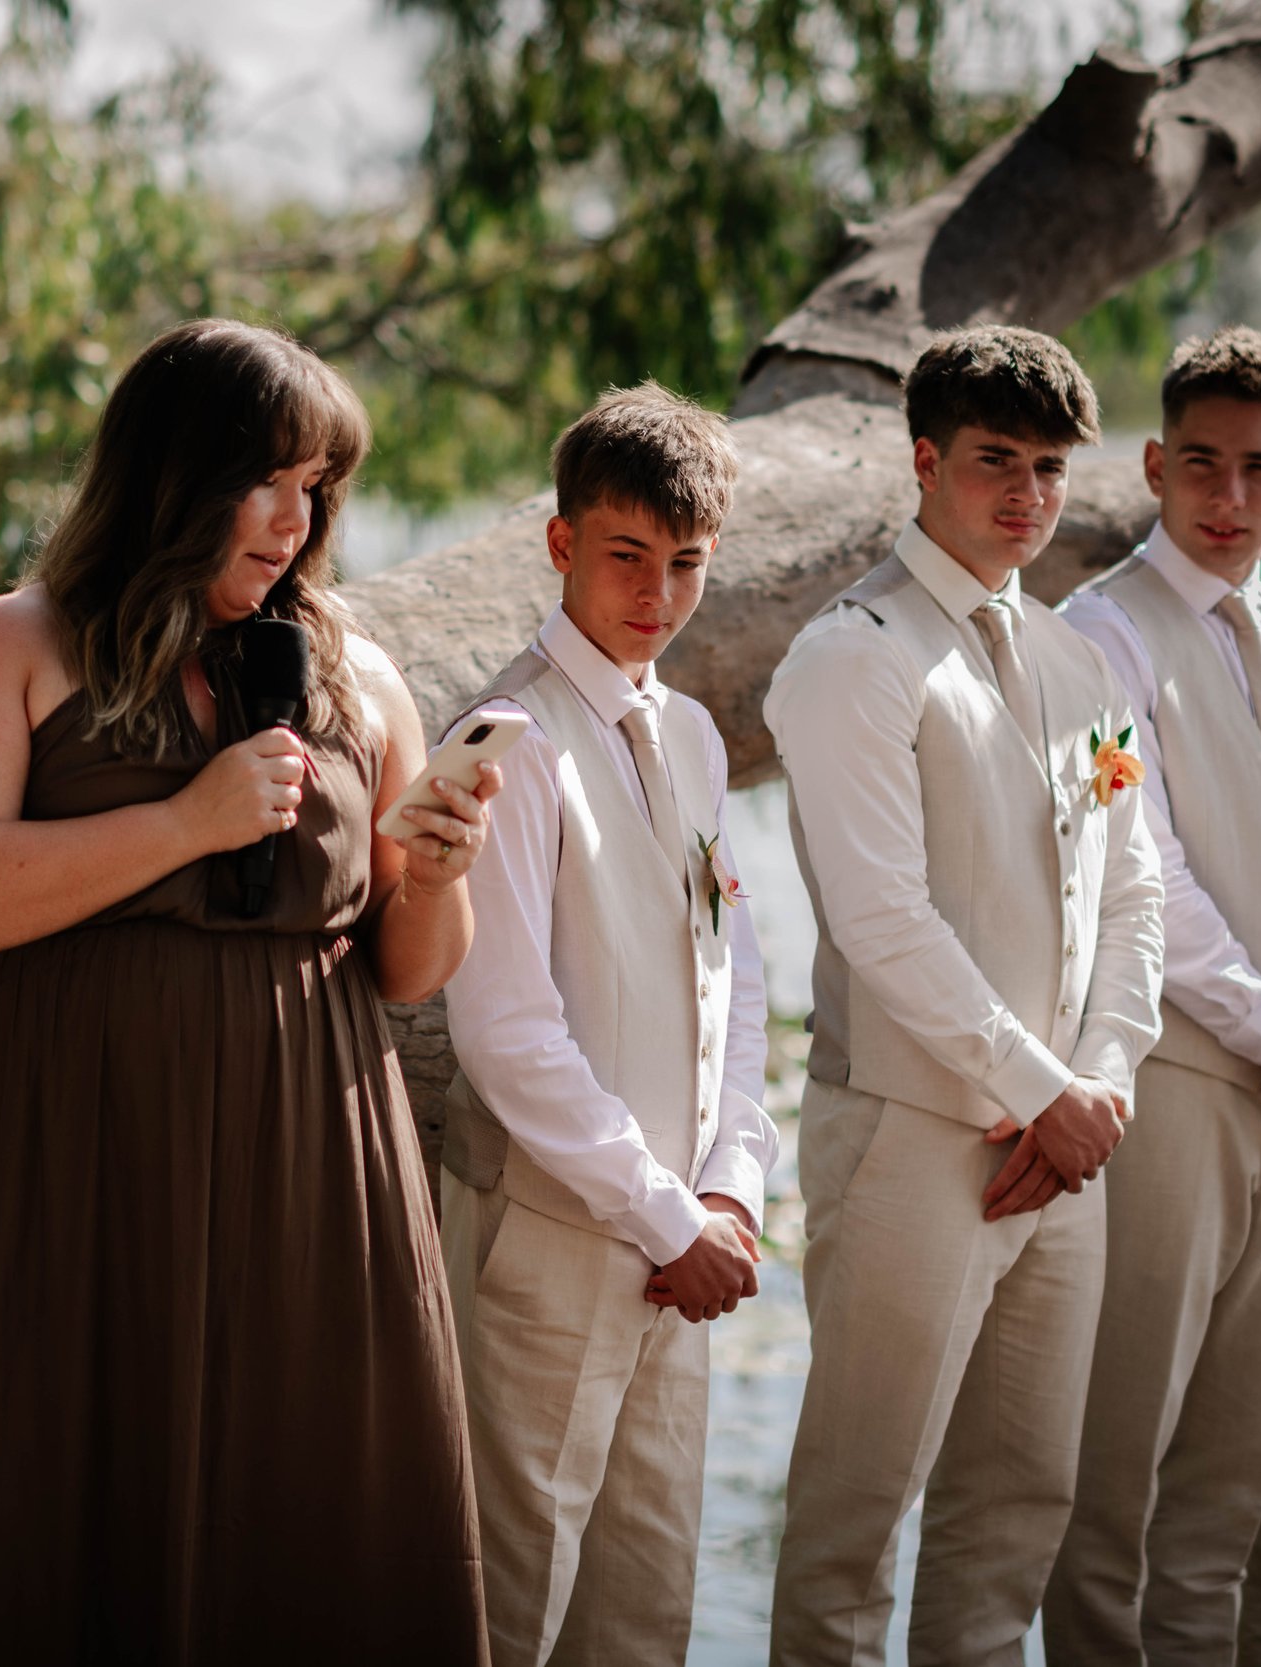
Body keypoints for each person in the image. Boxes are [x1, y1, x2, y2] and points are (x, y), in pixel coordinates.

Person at [0, 317, 496, 1664]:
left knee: (315, 1516)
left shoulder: (356, 671)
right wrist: (184, 822)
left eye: (319, 484)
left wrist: (438, 874)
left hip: (316, 1171)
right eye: (266, 478)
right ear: (170, 477)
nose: (295, 517)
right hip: (80, 1158)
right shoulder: (7, 646)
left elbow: (401, 966)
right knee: (63, 1513)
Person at [764, 325, 1164, 1665]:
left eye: (1050, 467)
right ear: (925, 459)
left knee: (1013, 1524)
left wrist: (1096, 1084)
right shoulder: (852, 655)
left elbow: (1133, 896)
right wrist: (1038, 1093)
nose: (1028, 495)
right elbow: (884, 919)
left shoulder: (1079, 663)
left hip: (1065, 1152)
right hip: (911, 1138)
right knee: (852, 1528)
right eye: (998, 460)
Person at [436, 383, 776, 1666]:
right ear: (561, 541)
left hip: (681, 1237)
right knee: (505, 1609)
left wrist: (730, 1186)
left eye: (685, 562)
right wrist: (661, 1213)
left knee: (643, 1613)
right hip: (552, 1236)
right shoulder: (508, 737)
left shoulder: (687, 732)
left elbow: (733, 979)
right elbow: (506, 1026)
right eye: (626, 554)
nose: (656, 593)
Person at [1039, 327, 1261, 1663]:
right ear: (1152, 466)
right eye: (1198, 463)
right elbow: (1135, 865)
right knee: (1116, 1497)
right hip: (1177, 1090)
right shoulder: (1094, 635)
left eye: (1258, 468)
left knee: (1230, 1499)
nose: (1226, 494)